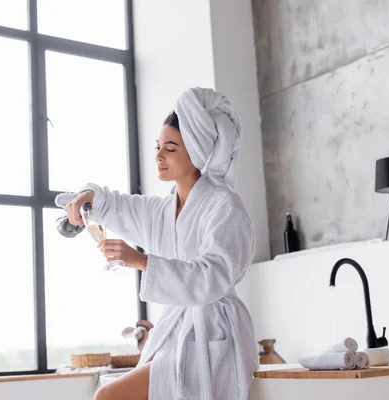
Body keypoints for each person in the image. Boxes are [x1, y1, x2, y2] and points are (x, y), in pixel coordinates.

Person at [57, 87, 258, 400]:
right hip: (175, 334)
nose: (158, 156)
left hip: (212, 336)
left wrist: (142, 262)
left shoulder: (225, 207)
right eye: (157, 147)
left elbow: (213, 276)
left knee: (107, 397)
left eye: (171, 148)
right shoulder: (161, 210)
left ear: (196, 152)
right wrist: (88, 197)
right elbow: (114, 204)